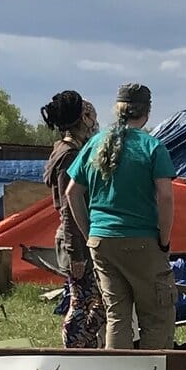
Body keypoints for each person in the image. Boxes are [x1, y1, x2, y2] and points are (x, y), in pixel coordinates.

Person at [65, 82, 179, 351]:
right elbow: (165, 196)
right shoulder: (152, 147)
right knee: (157, 315)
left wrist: (89, 233)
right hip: (142, 240)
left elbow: (72, 193)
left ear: (117, 110)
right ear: (147, 112)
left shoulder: (94, 144)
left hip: (101, 241)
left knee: (117, 315)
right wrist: (164, 240)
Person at [39, 90, 105, 349]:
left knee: (92, 300)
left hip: (77, 237)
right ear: (82, 119)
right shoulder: (70, 156)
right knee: (84, 302)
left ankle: (86, 346)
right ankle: (75, 348)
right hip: (76, 239)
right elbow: (69, 208)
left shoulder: (67, 150)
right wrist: (76, 252)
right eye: (89, 114)